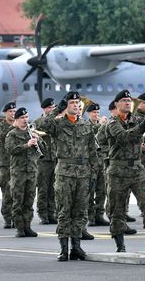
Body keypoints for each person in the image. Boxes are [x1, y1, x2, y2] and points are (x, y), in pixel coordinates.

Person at [40, 92, 99, 262]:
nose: (75, 105)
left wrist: (94, 172)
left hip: (83, 173)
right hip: (64, 173)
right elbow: (44, 124)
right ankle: (63, 248)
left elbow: (92, 151)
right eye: (71, 102)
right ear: (67, 105)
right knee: (64, 211)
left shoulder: (86, 125)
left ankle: (76, 247)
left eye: (77, 103)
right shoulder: (58, 124)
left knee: (80, 211)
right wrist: (58, 108)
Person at [105, 90, 145, 253]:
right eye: (124, 100)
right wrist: (143, 126)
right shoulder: (112, 123)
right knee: (117, 209)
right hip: (118, 170)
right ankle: (120, 245)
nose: (127, 103)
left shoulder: (137, 120)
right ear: (116, 104)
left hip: (137, 169)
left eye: (129, 100)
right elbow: (125, 137)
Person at [6, 107, 40, 238]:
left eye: (26, 117)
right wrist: (27, 145)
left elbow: (43, 150)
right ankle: (19, 227)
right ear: (17, 119)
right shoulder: (12, 134)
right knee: (18, 201)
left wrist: (38, 140)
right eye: (22, 118)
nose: (25, 120)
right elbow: (11, 150)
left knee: (29, 201)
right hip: (18, 173)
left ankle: (27, 226)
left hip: (31, 172)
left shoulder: (31, 133)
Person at [0, 102, 17, 229]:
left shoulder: (21, 125)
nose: (13, 114)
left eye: (14, 112)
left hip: (19, 165)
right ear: (5, 113)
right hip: (6, 165)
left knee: (18, 193)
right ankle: (8, 218)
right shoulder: (0, 126)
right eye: (10, 112)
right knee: (7, 193)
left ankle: (17, 218)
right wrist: (12, 127)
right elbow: (0, 138)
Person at [34, 98, 57, 225]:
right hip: (43, 160)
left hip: (55, 158)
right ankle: (43, 214)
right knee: (43, 188)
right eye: (49, 108)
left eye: (53, 108)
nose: (52, 110)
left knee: (53, 188)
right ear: (44, 109)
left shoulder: (57, 122)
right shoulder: (38, 122)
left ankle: (51, 212)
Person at [85, 103, 107, 234]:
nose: (96, 115)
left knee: (101, 190)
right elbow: (93, 134)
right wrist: (101, 125)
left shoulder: (102, 125)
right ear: (89, 114)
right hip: (91, 163)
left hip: (101, 162)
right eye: (94, 113)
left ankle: (99, 215)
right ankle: (90, 216)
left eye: (98, 113)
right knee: (90, 190)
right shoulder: (86, 125)